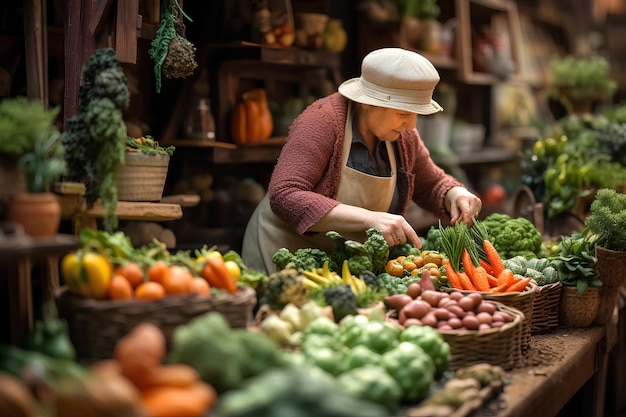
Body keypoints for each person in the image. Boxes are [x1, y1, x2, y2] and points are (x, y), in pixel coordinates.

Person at [242, 47, 482, 274]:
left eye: (416, 114)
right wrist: (369, 218)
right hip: (284, 254)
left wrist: (454, 194)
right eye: (403, 113)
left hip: (341, 265)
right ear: (367, 102)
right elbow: (285, 195)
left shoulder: (403, 136)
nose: (411, 125)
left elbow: (431, 184)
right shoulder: (321, 121)